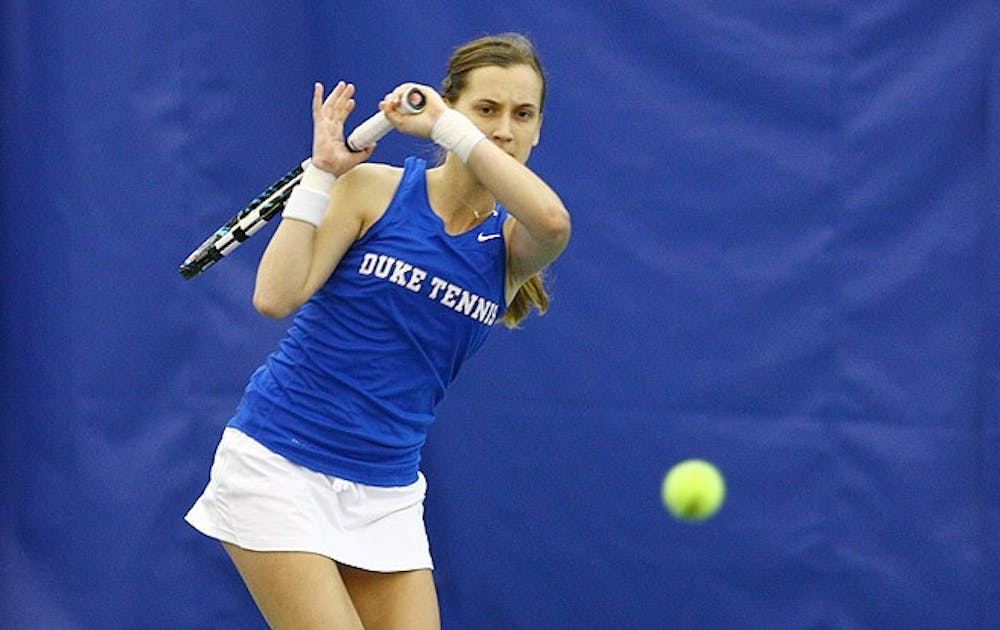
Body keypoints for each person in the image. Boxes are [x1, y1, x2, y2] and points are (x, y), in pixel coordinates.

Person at [185, 32, 569, 629]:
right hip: (277, 464)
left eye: (523, 115)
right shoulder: (373, 189)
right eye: (485, 110)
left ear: (539, 129)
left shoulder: (514, 248)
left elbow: (551, 217)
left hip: (385, 493)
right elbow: (274, 296)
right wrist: (320, 176)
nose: (504, 130)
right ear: (452, 104)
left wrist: (448, 129)